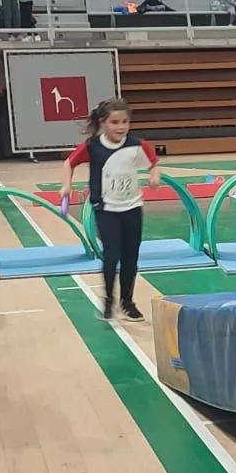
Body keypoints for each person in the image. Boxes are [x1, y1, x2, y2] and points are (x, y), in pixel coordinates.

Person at [60, 98, 159, 321]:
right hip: (105, 208)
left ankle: (127, 302)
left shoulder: (137, 145)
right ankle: (108, 299)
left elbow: (153, 163)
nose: (121, 126)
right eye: (115, 122)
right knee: (111, 254)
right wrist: (66, 186)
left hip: (132, 207)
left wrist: (154, 175)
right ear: (103, 122)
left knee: (131, 257)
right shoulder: (93, 147)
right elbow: (69, 163)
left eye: (125, 121)